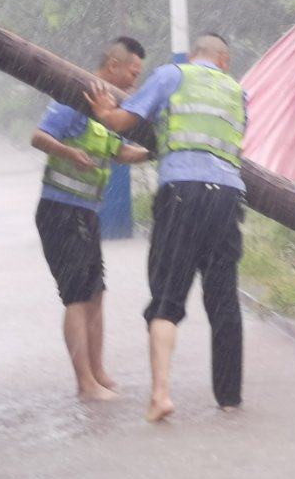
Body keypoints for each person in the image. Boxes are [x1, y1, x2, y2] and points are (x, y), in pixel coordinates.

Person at [86, 34, 247, 422]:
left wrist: (106, 113)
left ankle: (161, 395)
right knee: (223, 301)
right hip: (227, 197)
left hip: (182, 194)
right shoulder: (237, 92)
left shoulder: (171, 75)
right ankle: (229, 398)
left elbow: (126, 120)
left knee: (167, 298)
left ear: (194, 55)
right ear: (223, 60)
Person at [32, 37, 150, 401]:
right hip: (61, 212)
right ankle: (84, 383)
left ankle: (98, 372)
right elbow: (38, 136)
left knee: (96, 294)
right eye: (132, 71)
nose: (134, 81)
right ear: (112, 65)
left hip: (86, 212)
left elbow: (119, 152)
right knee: (77, 297)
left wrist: (155, 152)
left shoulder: (107, 109)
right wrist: (69, 152)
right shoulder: (74, 98)